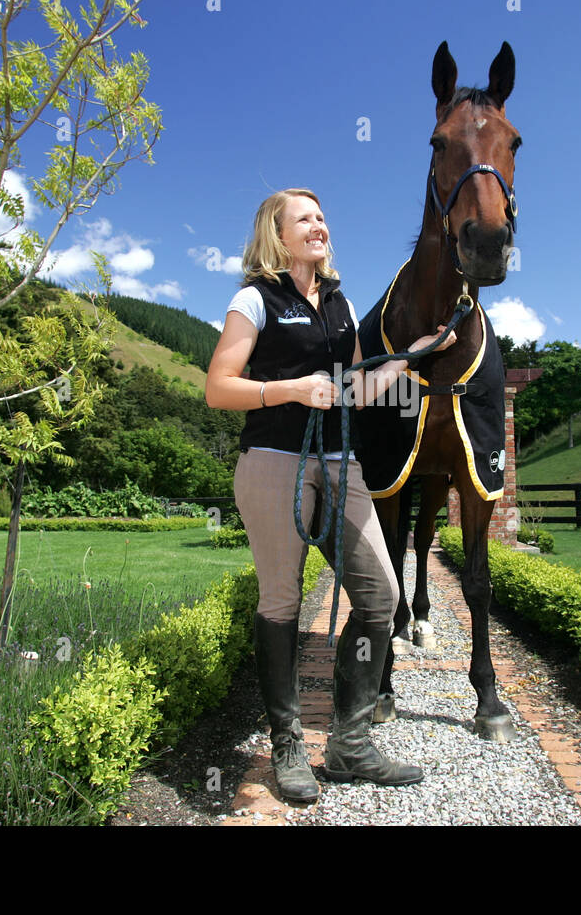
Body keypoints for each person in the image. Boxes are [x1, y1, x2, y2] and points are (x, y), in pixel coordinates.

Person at [205, 188, 454, 802]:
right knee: (282, 599)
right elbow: (218, 388)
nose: (320, 225)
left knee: (380, 595)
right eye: (306, 218)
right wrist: (289, 389)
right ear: (277, 233)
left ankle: (349, 744)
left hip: (341, 465)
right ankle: (287, 743)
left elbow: (361, 389)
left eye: (322, 217)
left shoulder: (340, 305)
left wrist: (415, 356)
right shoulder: (254, 300)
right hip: (272, 463)